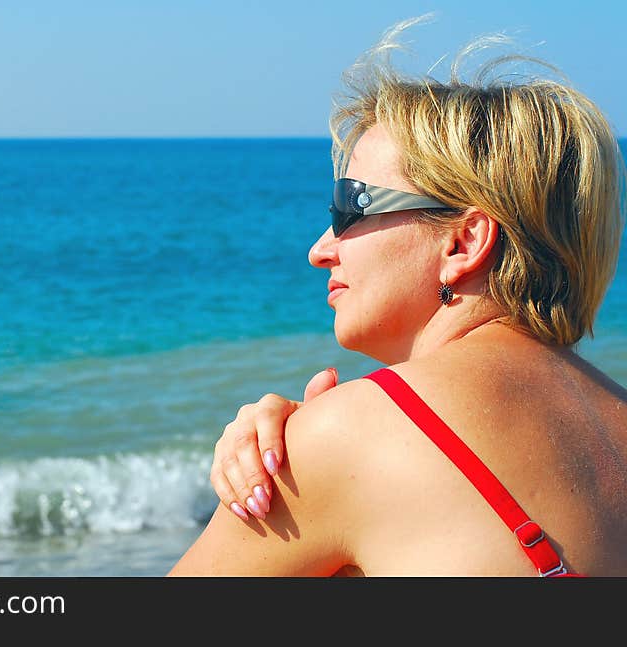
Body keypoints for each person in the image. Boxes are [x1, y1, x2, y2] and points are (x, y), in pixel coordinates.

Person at [167, 17, 627, 577]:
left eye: (351, 209)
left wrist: (312, 456)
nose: (320, 250)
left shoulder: (353, 435)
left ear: (463, 241)